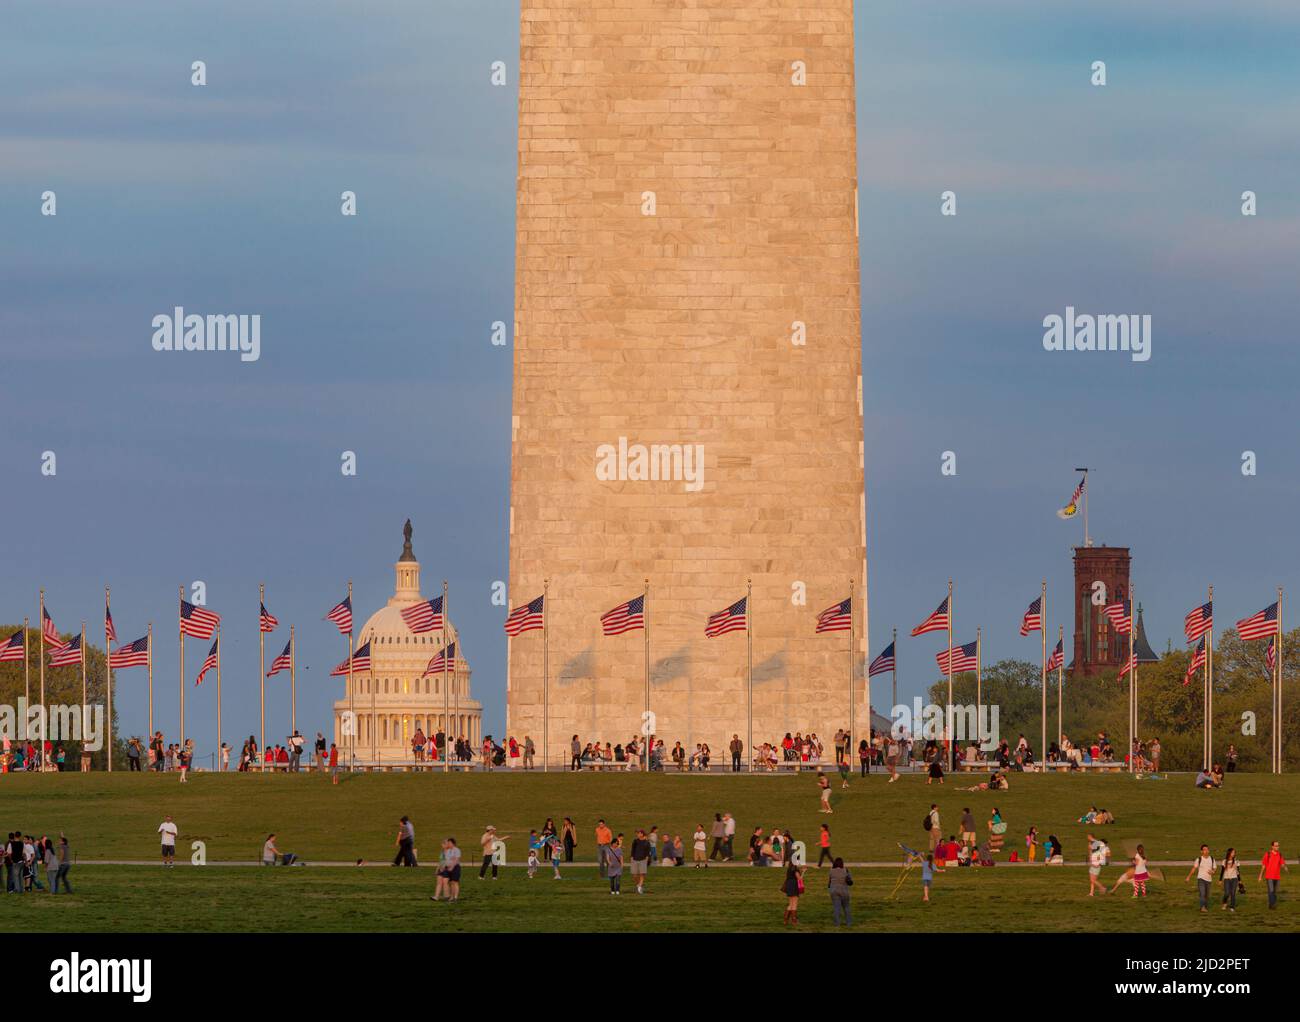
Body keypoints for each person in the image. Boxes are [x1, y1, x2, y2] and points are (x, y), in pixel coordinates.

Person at [1186, 844, 1216, 912]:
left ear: (1208, 850)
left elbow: (1214, 868)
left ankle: (1205, 906)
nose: (1206, 851)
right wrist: (1188, 877)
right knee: (1202, 893)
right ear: (1201, 851)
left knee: (1207, 895)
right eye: (1204, 850)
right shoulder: (1199, 859)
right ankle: (1202, 907)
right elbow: (1194, 868)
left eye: (1207, 849)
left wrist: (1213, 871)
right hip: (1201, 879)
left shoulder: (1212, 859)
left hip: (1209, 879)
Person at [1259, 840, 1287, 909]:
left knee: (1274, 892)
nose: (1278, 847)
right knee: (1271, 891)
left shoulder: (1280, 855)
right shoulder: (1267, 854)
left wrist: (1285, 867)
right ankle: (1272, 905)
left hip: (1277, 877)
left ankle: (1271, 904)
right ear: (1272, 847)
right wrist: (1260, 876)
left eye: (1278, 846)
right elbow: (1263, 866)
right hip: (1269, 876)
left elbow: (1282, 863)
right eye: (1276, 846)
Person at [432, 837, 461, 902]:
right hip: (444, 868)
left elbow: (455, 859)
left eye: (444, 844)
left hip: (450, 868)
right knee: (443, 882)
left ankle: (451, 896)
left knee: (452, 882)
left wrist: (451, 867)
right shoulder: (444, 852)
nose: (442, 845)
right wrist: (438, 869)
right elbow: (442, 861)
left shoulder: (455, 850)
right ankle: (437, 896)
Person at [827, 857, 853, 925]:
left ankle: (837, 923)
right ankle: (849, 923)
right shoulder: (846, 870)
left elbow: (829, 882)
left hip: (834, 891)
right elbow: (850, 882)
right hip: (844, 890)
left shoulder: (831, 871)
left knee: (836, 908)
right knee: (846, 907)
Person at [630, 829, 651, 894]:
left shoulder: (647, 842)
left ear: (642, 834)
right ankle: (639, 885)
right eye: (637, 833)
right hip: (635, 859)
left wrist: (647, 859)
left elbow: (648, 852)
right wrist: (631, 858)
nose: (638, 834)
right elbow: (632, 850)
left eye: (639, 833)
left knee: (642, 874)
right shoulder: (635, 841)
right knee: (634, 875)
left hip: (643, 859)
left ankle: (639, 887)